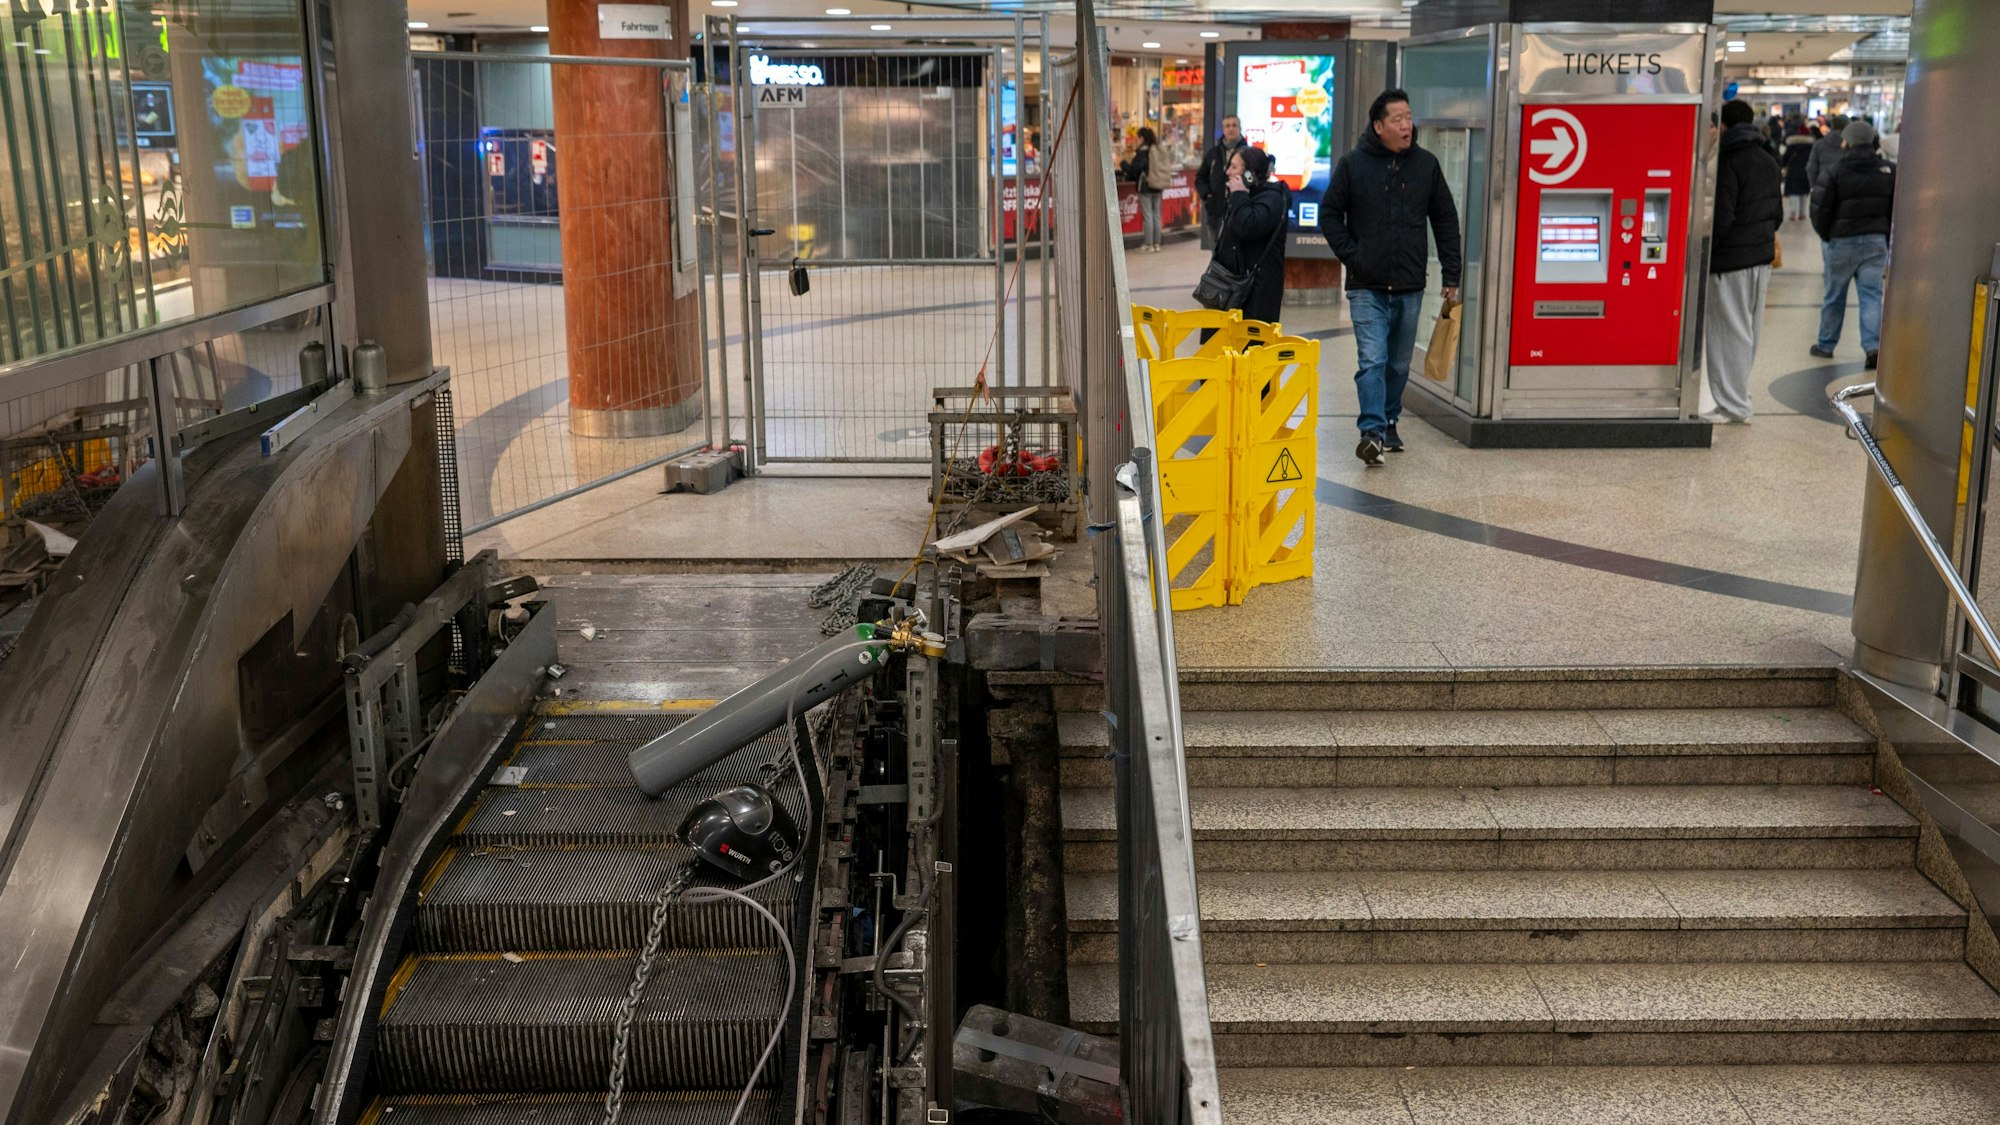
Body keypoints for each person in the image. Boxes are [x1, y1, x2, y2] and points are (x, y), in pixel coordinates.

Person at [1318, 88, 1462, 466]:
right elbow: (1329, 214)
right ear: (1379, 126)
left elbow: (1445, 219)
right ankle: (1372, 432)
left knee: (1398, 364)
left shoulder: (1426, 165)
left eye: (1409, 118)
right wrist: (1353, 256)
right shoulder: (1353, 165)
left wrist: (1452, 273)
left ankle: (1389, 418)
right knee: (1373, 359)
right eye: (1397, 119)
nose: (1406, 125)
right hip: (1366, 284)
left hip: (1410, 284)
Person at [1704, 99, 1784, 424]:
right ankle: (1738, 396)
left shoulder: (1728, 159)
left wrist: (1707, 250)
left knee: (1728, 333)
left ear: (1723, 126)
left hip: (1731, 261)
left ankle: (1733, 405)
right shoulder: (1767, 158)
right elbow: (1777, 214)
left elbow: (1722, 217)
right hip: (1760, 259)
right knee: (1747, 332)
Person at [1811, 118, 1896, 370]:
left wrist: (1828, 236)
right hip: (1875, 242)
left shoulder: (1835, 171)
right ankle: (1873, 348)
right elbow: (1895, 209)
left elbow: (1820, 209)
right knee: (1871, 296)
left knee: (1834, 296)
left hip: (1842, 242)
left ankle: (1826, 345)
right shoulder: (1889, 171)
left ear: (1847, 142)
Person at [1196, 115, 1248, 240]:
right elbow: (1201, 177)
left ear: (1240, 128)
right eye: (1227, 126)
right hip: (1215, 211)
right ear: (1223, 129)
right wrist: (1207, 195)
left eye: (1234, 125)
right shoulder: (1213, 154)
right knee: (1215, 248)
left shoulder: (1248, 153)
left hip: (1239, 210)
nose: (1231, 129)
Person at [1122, 127, 1168, 252]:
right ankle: (1157, 244)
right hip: (1158, 186)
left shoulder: (1143, 152)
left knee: (1148, 215)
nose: (1136, 141)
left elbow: (1133, 170)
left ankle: (1148, 244)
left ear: (1142, 138)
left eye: (1137, 138)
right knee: (1156, 215)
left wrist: (1122, 163)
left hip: (1146, 187)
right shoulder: (1156, 149)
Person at [1806, 113, 1846, 207]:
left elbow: (1811, 168)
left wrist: (1815, 186)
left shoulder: (1819, 144)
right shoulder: (1850, 145)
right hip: (1845, 189)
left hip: (1823, 188)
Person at [1782, 121, 1816, 220]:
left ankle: (1793, 213)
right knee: (1803, 193)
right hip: (1805, 171)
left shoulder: (1791, 145)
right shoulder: (1811, 146)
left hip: (1793, 171)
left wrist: (1783, 166)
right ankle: (1802, 213)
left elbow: (1785, 158)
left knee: (1793, 192)